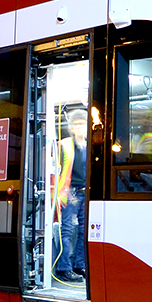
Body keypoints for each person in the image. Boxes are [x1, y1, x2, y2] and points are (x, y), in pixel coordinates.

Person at [53, 110, 88, 285]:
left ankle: (79, 265)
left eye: (83, 123)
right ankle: (63, 268)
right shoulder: (64, 145)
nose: (80, 127)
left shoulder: (90, 145)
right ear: (71, 128)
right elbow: (55, 171)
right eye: (77, 124)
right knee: (66, 230)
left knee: (84, 231)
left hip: (85, 192)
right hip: (71, 192)